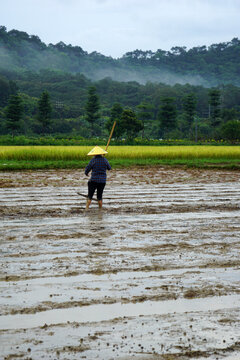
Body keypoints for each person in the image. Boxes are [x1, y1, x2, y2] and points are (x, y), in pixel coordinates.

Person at [85, 146, 111, 210]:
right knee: (99, 196)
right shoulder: (105, 160)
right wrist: (104, 162)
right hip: (102, 181)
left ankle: (86, 208)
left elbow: (87, 169)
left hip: (93, 180)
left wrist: (86, 173)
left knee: (90, 195)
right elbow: (109, 168)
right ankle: (100, 209)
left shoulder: (93, 160)